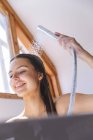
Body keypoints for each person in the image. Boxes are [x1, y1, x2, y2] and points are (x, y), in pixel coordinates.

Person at [7, 33, 93, 122]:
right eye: (10, 75)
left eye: (21, 71)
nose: (14, 78)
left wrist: (83, 54)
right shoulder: (12, 124)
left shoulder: (63, 105)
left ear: (39, 75)